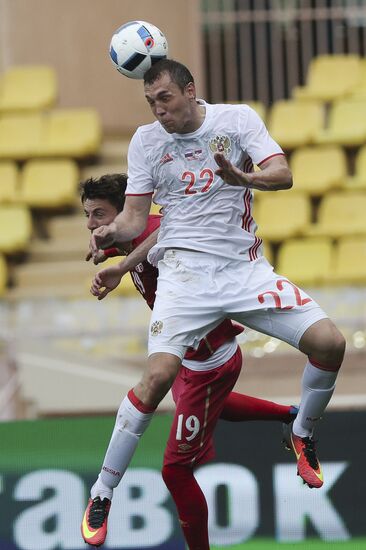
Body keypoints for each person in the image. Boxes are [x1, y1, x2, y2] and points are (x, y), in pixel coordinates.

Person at [89, 58, 345, 541]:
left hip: (244, 271)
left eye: (165, 98)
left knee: (331, 343)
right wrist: (109, 233)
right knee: (158, 377)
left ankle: (303, 432)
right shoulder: (146, 141)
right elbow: (135, 219)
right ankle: (103, 490)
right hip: (183, 276)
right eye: (150, 103)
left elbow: (283, 173)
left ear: (190, 90)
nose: (158, 111)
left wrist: (244, 179)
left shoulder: (238, 120)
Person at [80, 173, 298, 549]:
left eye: (99, 214)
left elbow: (164, 232)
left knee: (175, 470)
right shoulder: (132, 235)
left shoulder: (165, 230)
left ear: (127, 211)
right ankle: (289, 417)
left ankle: (102, 491)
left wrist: (117, 255)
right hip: (181, 352)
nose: (91, 224)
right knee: (193, 405)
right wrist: (108, 247)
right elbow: (137, 240)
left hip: (207, 362)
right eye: (87, 215)